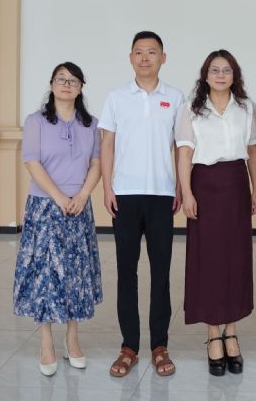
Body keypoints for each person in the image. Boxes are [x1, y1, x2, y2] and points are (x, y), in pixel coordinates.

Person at [99, 31, 185, 378]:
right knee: (126, 272)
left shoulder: (175, 97)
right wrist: (107, 187)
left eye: (152, 52)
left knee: (161, 272)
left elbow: (181, 146)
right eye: (139, 52)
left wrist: (180, 185)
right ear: (130, 58)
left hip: (162, 194)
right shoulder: (116, 97)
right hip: (125, 194)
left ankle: (160, 346)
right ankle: (129, 347)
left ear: (163, 58)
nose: (145, 57)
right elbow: (107, 145)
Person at [175, 50, 256, 376]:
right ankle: (213, 332)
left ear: (234, 75)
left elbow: (253, 151)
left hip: (236, 183)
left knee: (236, 258)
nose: (221, 75)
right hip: (204, 185)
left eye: (226, 70)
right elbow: (184, 155)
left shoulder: (246, 108)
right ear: (205, 75)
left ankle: (232, 331)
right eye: (215, 70)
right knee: (208, 259)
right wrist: (187, 193)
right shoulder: (191, 109)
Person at [13, 62, 103, 376]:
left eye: (73, 80)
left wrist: (82, 195)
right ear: (52, 84)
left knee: (75, 275)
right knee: (45, 276)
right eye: (61, 79)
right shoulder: (35, 121)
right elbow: (32, 161)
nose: (66, 84)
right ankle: (47, 343)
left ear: (81, 88)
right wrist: (59, 197)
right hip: (45, 206)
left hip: (79, 207)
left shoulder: (91, 124)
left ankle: (73, 339)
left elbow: (96, 164)